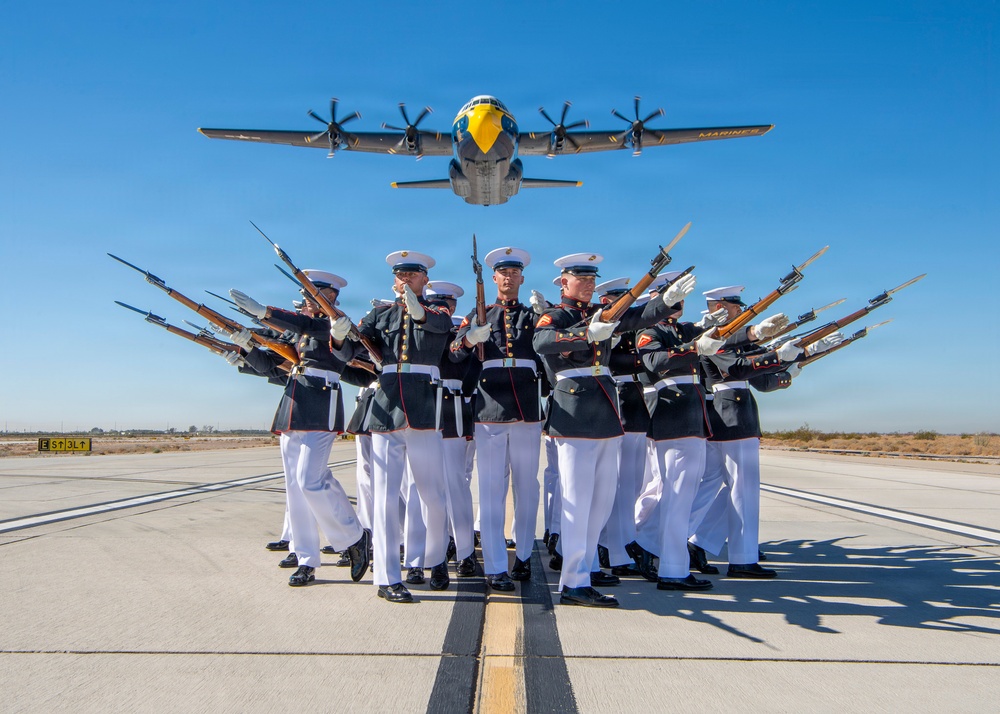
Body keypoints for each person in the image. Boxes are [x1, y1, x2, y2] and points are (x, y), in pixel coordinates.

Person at [533, 253, 676, 607]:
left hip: (606, 413)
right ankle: (573, 582)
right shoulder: (558, 315)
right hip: (575, 411)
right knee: (577, 502)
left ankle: (582, 571)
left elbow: (636, 316)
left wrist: (666, 301)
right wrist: (585, 334)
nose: (590, 283)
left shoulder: (598, 314)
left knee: (600, 502)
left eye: (593, 278)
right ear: (564, 282)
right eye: (582, 278)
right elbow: (543, 342)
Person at [230, 271, 370, 587]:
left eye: (314, 293)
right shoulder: (304, 329)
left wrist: (264, 312)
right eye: (306, 294)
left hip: (322, 403)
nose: (308, 299)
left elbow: (307, 326)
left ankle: (354, 536)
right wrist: (245, 350)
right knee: (296, 488)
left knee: (310, 480)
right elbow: (271, 364)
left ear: (331, 296)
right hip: (296, 402)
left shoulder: (338, 325)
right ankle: (306, 558)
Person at [344, 251, 455, 603]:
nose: (406, 280)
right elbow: (351, 349)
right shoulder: (380, 314)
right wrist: (338, 334)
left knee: (431, 494)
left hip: (423, 408)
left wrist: (416, 308)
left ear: (425, 281)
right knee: (385, 498)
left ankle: (435, 558)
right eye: (401, 275)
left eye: (413, 275)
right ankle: (388, 577)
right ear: (394, 280)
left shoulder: (439, 312)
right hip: (387, 406)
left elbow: (437, 328)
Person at [452, 247, 545, 591]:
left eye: (514, 272)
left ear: (521, 278)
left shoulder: (533, 316)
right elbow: (454, 350)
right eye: (502, 273)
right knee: (491, 491)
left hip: (526, 408)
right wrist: (469, 336)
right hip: (490, 408)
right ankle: (494, 565)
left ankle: (522, 556)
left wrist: (546, 311)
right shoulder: (480, 313)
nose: (508, 278)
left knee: (527, 488)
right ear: (494, 278)